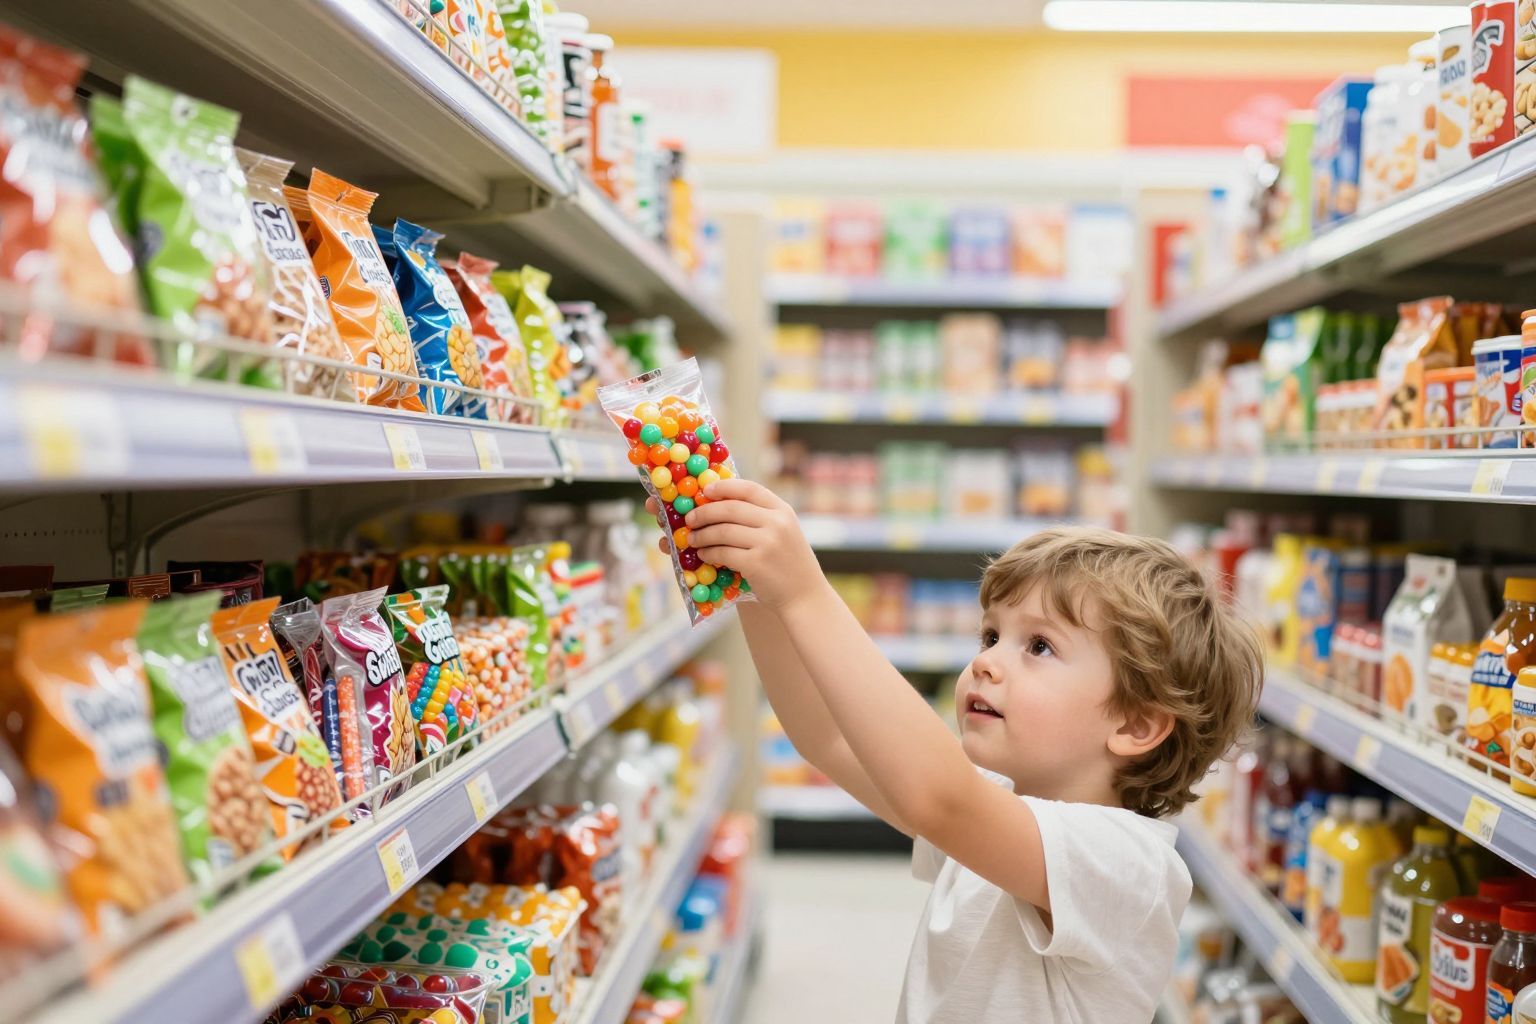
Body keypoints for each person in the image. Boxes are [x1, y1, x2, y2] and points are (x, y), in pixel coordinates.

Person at [653, 479, 1263, 1022]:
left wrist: (807, 592)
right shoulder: (996, 811)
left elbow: (940, 799)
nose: (986, 662)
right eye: (992, 635)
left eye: (1040, 647)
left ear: (1135, 724)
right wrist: (754, 587)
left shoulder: (1128, 864)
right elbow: (828, 737)